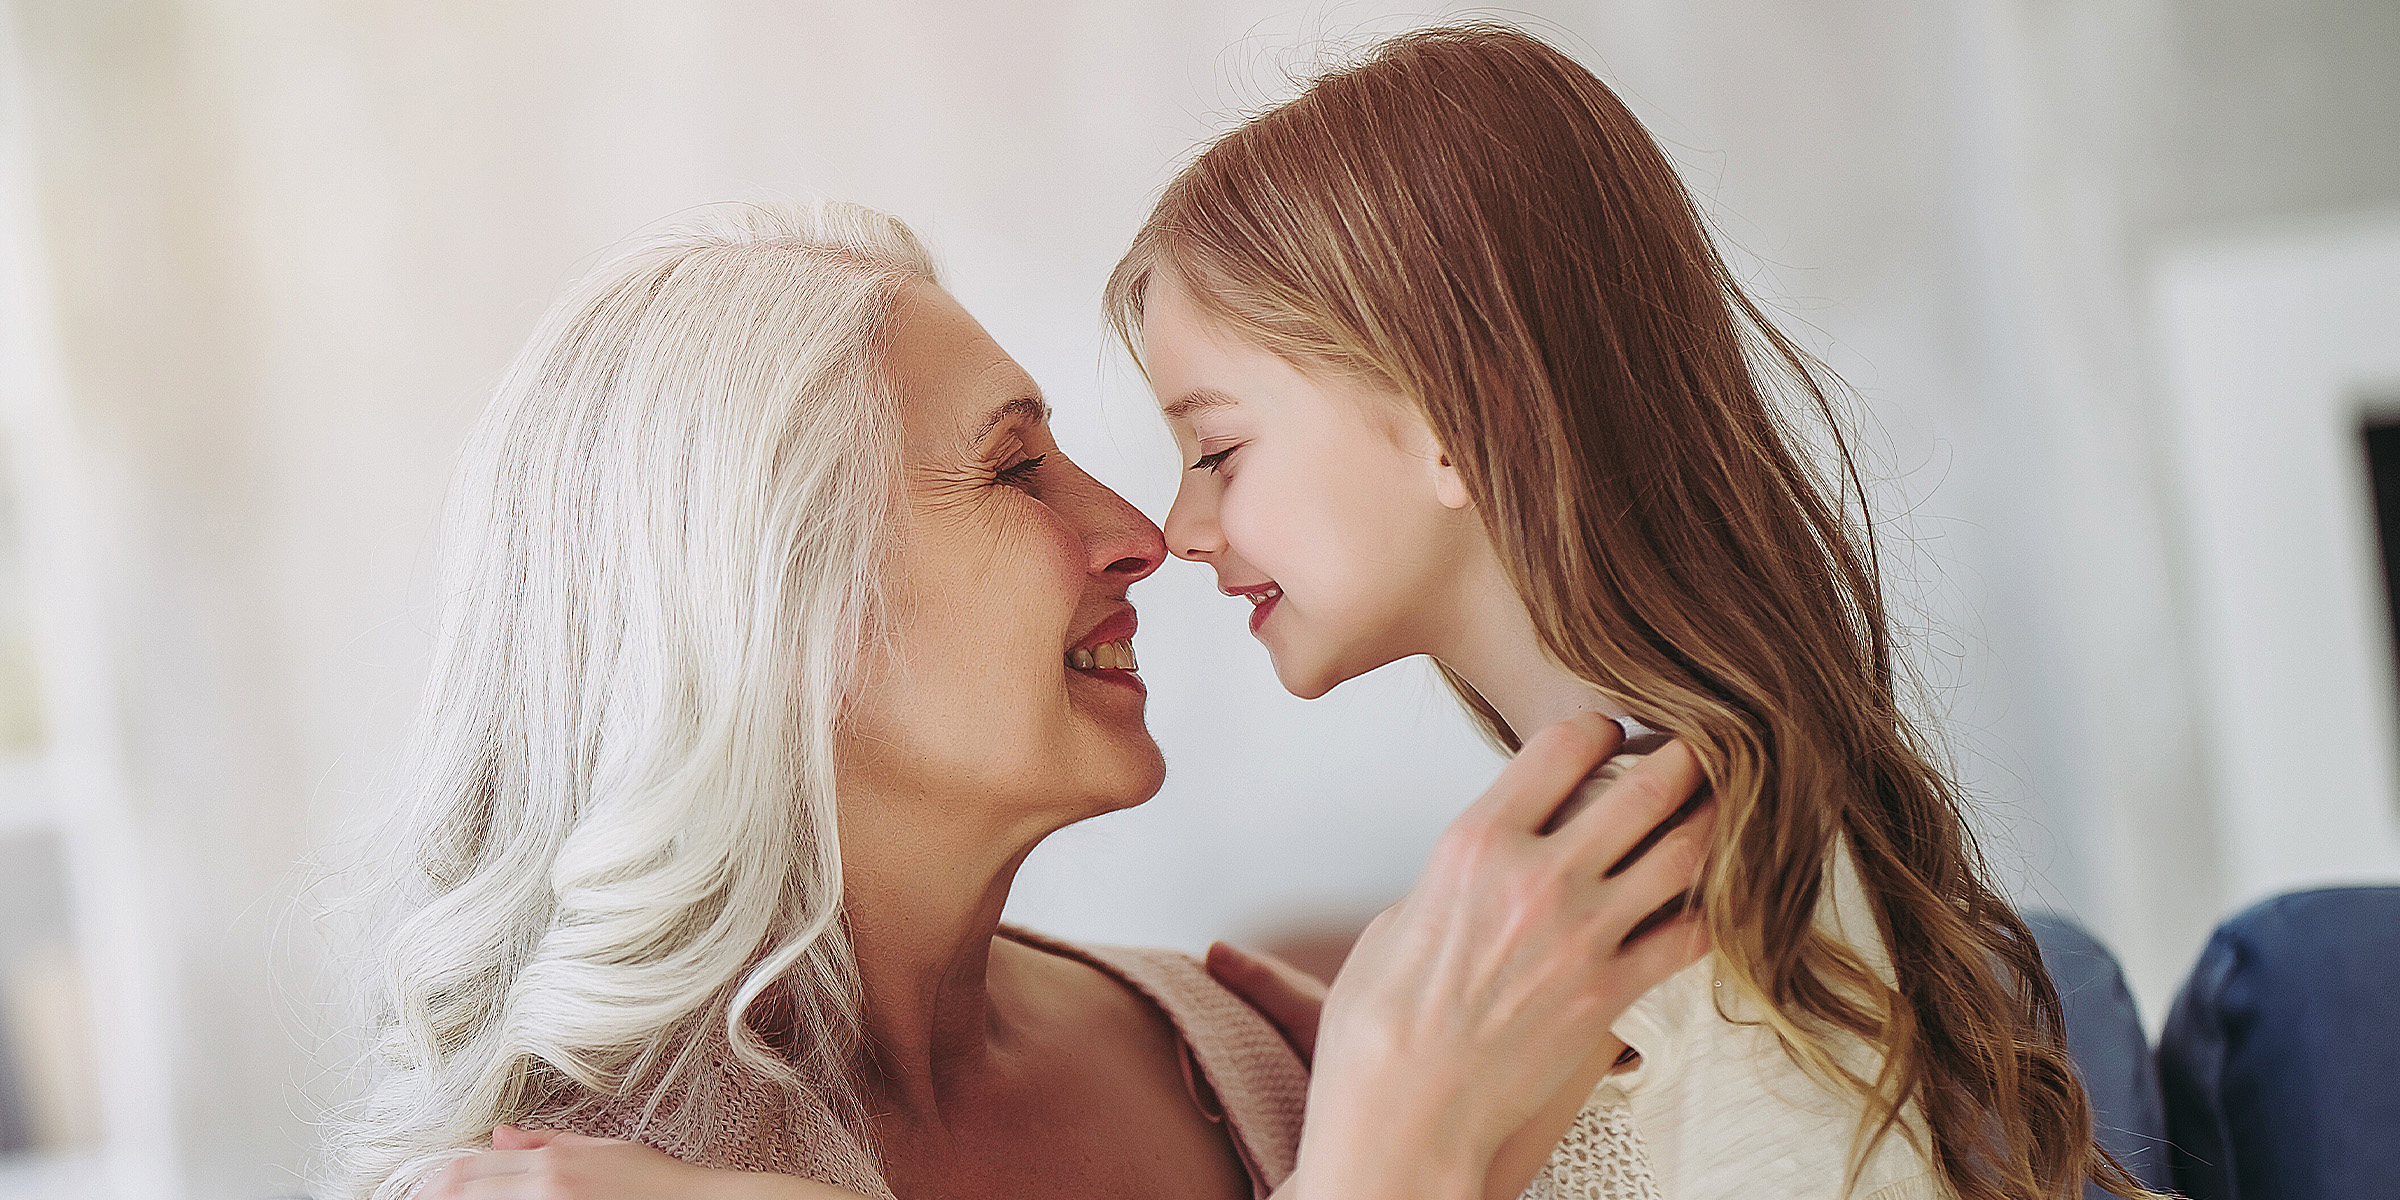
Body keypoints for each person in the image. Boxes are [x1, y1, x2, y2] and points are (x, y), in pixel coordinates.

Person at [339, 200, 1714, 1200]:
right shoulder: (565, 1186)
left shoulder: (1246, 1059)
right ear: (777, 609)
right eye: (1013, 471)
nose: (1139, 531)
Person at [1103, 22, 2151, 1200]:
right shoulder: (1696, 825)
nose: (1177, 530)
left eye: (1216, 448)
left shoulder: (1654, 884)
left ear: (1458, 415)